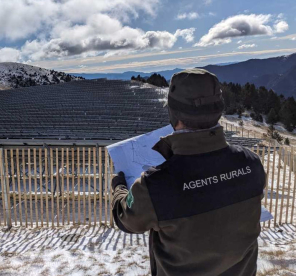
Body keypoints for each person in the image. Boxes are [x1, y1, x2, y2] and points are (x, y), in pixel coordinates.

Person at [111, 69, 266, 276]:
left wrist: (119, 187)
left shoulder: (156, 185)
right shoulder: (251, 163)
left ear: (174, 114)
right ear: (218, 109)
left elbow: (125, 219)